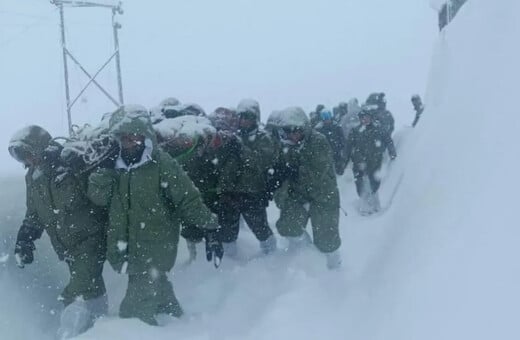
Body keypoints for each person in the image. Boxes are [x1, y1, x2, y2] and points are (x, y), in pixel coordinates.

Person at [87, 106, 223, 326]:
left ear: (145, 135)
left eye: (134, 136)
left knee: (134, 313)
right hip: (126, 244)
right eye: (124, 138)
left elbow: (187, 198)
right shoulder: (115, 166)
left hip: (154, 245)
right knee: (157, 289)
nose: (129, 143)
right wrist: (103, 170)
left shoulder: (161, 164)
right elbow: (99, 197)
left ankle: (140, 331)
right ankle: (175, 320)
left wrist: (210, 227)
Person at [8, 125, 108, 339]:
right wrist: (25, 238)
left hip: (90, 240)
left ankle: (69, 334)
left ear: (39, 148)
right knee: (92, 288)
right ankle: (102, 328)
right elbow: (34, 213)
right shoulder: (33, 177)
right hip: (67, 247)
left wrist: (83, 169)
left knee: (76, 293)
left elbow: (100, 195)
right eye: (20, 157)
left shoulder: (70, 164)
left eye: (26, 154)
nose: (25, 161)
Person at [273, 107, 342, 270]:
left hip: (323, 194)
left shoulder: (318, 141)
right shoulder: (287, 145)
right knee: (288, 226)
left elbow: (318, 173)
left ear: (302, 128)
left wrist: (293, 170)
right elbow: (281, 169)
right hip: (298, 194)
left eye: (293, 131)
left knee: (327, 239)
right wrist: (278, 184)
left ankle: (334, 269)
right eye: (286, 131)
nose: (290, 135)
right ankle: (307, 260)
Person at [154, 115, 221, 262]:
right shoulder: (169, 155)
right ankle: (196, 260)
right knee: (192, 230)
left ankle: (200, 261)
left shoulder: (198, 152)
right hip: (191, 198)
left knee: (204, 229)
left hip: (204, 196)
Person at [216, 99, 277, 258]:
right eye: (240, 117)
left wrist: (240, 147)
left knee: (260, 228)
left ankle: (272, 258)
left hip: (252, 192)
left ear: (255, 118)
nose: (242, 121)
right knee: (227, 232)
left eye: (247, 117)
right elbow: (219, 163)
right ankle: (230, 264)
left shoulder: (264, 138)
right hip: (229, 192)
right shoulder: (231, 136)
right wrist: (221, 146)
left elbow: (261, 162)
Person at [344, 106, 397, 215]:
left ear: (371, 118)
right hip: (358, 164)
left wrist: (392, 151)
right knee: (360, 186)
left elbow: (388, 140)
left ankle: (375, 206)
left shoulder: (378, 129)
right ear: (360, 119)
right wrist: (343, 161)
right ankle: (363, 206)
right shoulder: (355, 131)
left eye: (367, 117)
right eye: (363, 118)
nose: (365, 120)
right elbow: (348, 148)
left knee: (374, 185)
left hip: (374, 163)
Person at [314, 107, 347, 175]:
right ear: (322, 118)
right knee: (326, 170)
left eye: (328, 117)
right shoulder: (319, 128)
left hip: (336, 150)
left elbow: (342, 138)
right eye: (325, 117)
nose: (327, 119)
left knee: (340, 170)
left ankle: (342, 180)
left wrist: (341, 146)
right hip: (325, 153)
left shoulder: (337, 126)